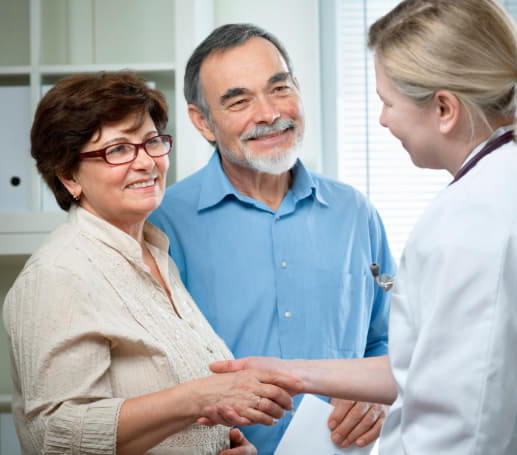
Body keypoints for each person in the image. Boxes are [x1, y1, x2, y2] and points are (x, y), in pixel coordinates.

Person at [210, 1, 517, 454]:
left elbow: (455, 430)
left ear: (445, 109)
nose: (383, 119)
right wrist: (294, 373)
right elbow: (434, 366)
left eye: (387, 102)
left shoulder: (476, 216)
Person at [2, 71, 303, 455]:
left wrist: (216, 445)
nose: (145, 162)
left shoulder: (157, 253)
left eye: (151, 142)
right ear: (68, 177)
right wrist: (200, 397)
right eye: (118, 150)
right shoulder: (57, 275)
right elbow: (57, 437)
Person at [147, 23, 396, 454]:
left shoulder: (356, 214)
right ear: (202, 121)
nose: (268, 114)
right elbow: (151, 376)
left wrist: (375, 400)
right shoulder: (161, 225)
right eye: (240, 100)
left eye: (279, 88)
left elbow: (388, 341)